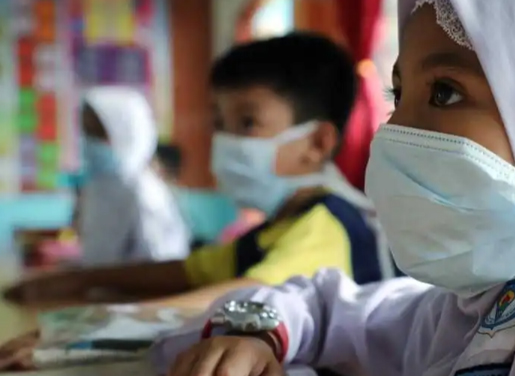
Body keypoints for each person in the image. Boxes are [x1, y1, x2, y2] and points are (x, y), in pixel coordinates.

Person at [151, 1, 515, 376]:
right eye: (397, 95)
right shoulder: (465, 308)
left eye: (444, 92)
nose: (395, 131)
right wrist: (258, 333)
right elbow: (323, 304)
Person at [2, 33, 391, 308]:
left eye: (247, 123)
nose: (224, 141)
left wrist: (87, 324)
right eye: (219, 122)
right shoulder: (279, 226)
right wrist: (79, 280)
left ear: (317, 143)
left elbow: (242, 298)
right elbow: (189, 272)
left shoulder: (328, 223)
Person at [76, 87, 190, 266]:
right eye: (87, 133)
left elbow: (161, 266)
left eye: (98, 134)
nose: (90, 143)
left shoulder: (145, 193)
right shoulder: (96, 188)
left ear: (126, 134)